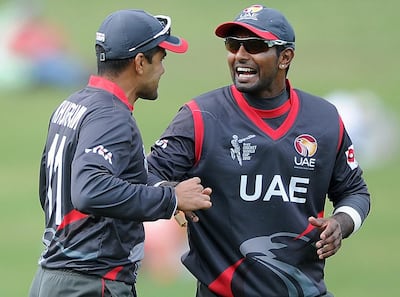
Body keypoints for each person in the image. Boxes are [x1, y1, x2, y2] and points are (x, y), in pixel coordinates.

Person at [147, 4, 370, 297]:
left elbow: (355, 192)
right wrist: (172, 194)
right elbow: (149, 174)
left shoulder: (324, 119)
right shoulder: (200, 116)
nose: (240, 55)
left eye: (254, 46)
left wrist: (340, 224)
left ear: (285, 57)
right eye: (233, 45)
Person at [29, 9, 212, 297]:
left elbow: (48, 188)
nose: (163, 69)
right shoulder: (112, 116)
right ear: (140, 62)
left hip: (53, 278)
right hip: (90, 283)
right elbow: (90, 190)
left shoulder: (75, 104)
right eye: (161, 58)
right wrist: (171, 198)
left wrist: (162, 188)